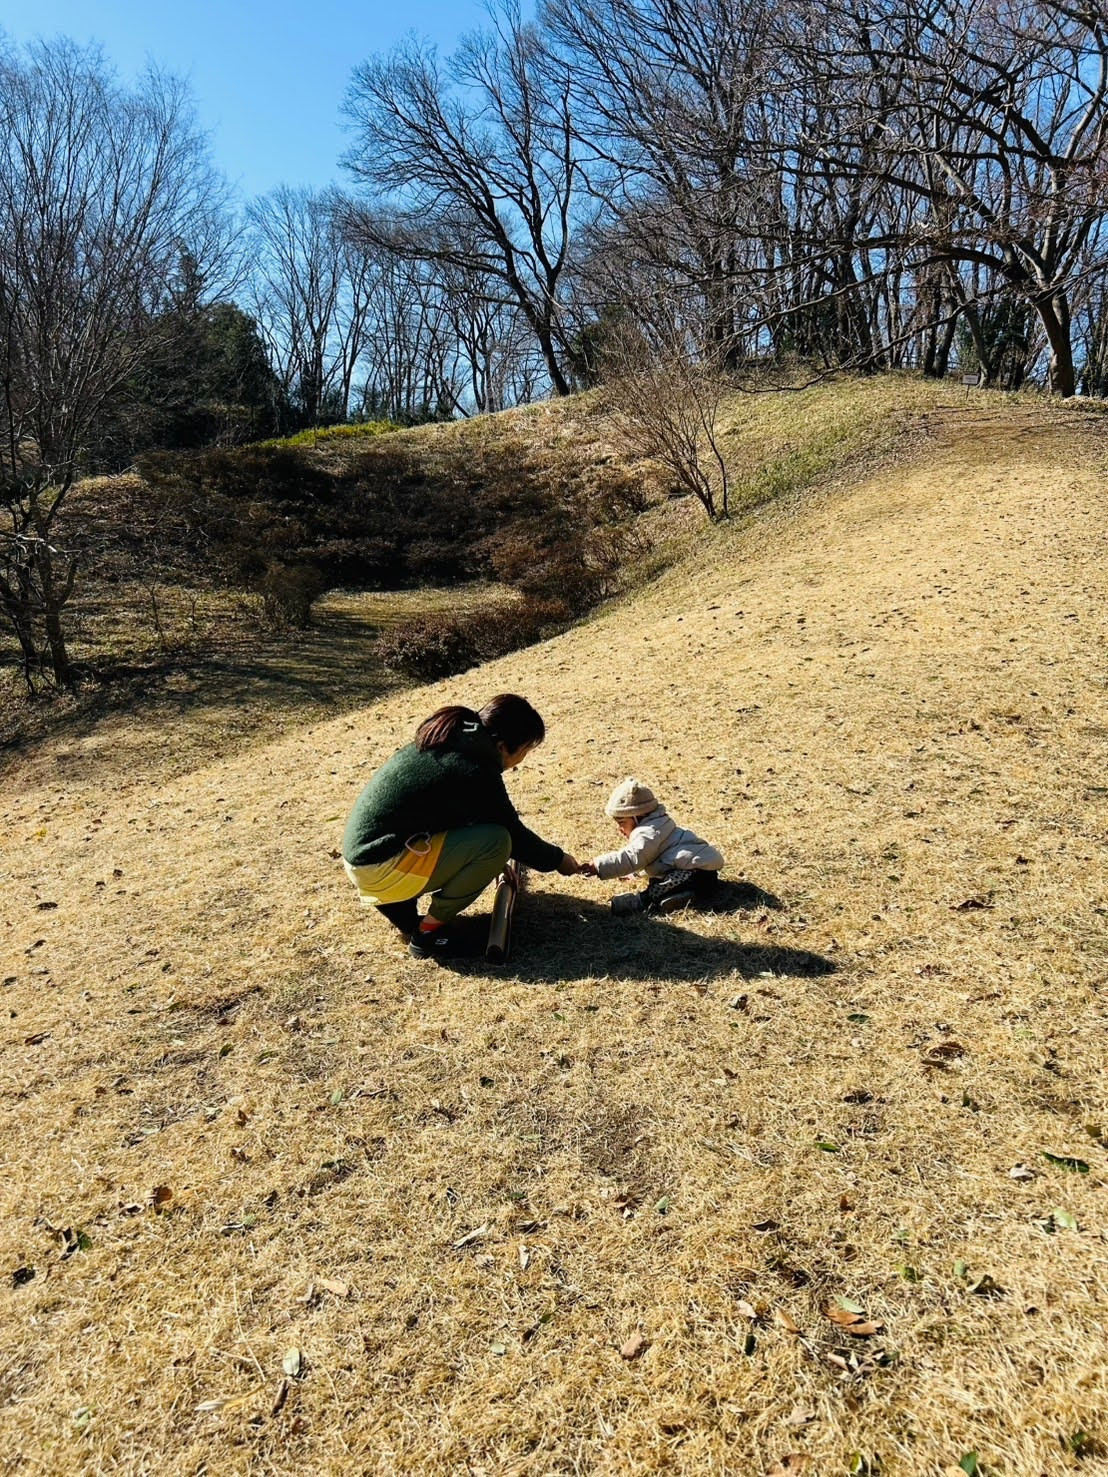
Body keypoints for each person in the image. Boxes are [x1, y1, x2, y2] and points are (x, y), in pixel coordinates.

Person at [342, 693, 580, 958]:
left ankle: (407, 918)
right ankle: (428, 933)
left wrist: (497, 862)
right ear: (502, 746)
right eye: (524, 751)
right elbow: (513, 834)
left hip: (366, 858)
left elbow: (454, 815)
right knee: (497, 842)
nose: (521, 760)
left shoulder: (455, 740)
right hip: (381, 865)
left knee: (494, 842)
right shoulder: (474, 768)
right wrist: (558, 860)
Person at [580, 778, 724, 916]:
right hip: (701, 874)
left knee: (659, 888)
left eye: (622, 822)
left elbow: (633, 857)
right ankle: (684, 896)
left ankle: (642, 901)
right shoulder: (656, 825)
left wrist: (599, 866)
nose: (620, 829)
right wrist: (635, 874)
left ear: (638, 817)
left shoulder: (649, 832)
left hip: (694, 872)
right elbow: (652, 858)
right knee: (662, 880)